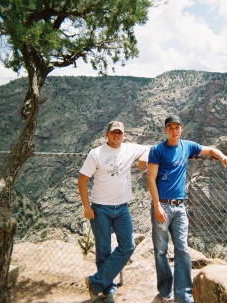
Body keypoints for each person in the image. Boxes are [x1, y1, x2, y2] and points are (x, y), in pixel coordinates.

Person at [147, 115, 227, 303]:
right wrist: (157, 206)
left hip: (180, 207)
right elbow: (151, 179)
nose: (174, 131)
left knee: (182, 249)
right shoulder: (157, 151)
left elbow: (209, 150)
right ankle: (164, 292)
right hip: (162, 205)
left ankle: (183, 295)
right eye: (170, 128)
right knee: (161, 250)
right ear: (165, 130)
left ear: (182, 129)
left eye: (177, 127)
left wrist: (222, 156)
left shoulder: (188, 146)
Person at [78, 121, 150, 303]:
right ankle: (108, 290)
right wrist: (87, 207)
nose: (117, 136)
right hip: (100, 208)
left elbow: (151, 147)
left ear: (124, 135)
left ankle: (95, 283)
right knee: (103, 250)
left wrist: (146, 155)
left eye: (120, 133)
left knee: (128, 246)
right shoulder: (96, 154)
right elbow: (82, 181)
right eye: (113, 133)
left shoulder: (129, 149)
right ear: (107, 134)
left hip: (122, 208)